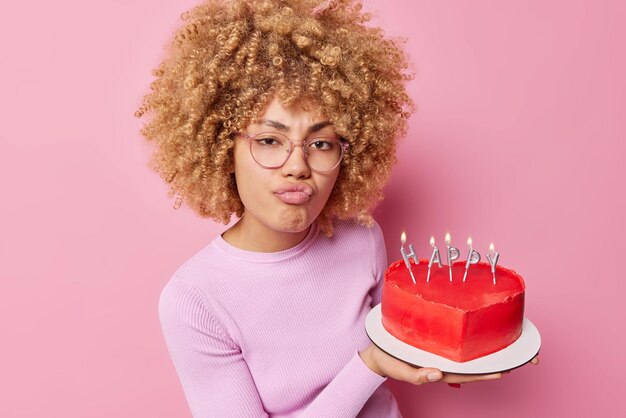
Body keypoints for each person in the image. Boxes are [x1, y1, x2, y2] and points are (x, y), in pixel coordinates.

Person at [135, 1, 539, 416]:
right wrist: (368, 367)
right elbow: (378, 359)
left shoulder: (362, 239)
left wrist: (455, 356)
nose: (297, 167)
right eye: (270, 141)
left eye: (321, 143)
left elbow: (402, 341)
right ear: (222, 149)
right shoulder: (195, 300)